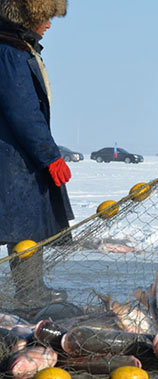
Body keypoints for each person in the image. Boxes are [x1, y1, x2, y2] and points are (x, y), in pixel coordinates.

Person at [0, 0, 73, 306]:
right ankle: (30, 293)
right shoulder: (11, 52)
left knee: (26, 222)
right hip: (15, 157)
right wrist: (50, 155)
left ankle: (33, 288)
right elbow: (24, 112)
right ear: (29, 17)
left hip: (19, 156)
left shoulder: (18, 48)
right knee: (25, 222)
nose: (49, 24)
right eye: (45, 17)